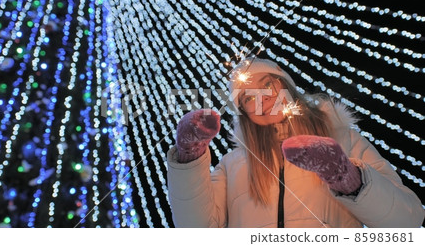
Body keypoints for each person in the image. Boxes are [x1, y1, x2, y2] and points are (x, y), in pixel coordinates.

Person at [166, 57, 424, 227]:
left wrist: (349, 179)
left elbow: (407, 220)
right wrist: (190, 155)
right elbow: (196, 228)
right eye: (248, 98)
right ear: (244, 114)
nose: (263, 99)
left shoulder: (343, 141)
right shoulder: (233, 165)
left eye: (268, 85)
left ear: (285, 85)